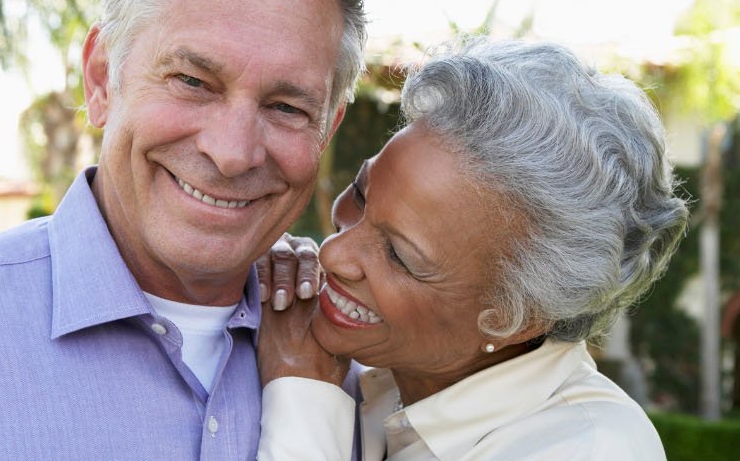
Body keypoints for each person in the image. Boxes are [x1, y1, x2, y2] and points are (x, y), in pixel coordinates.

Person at [0, 0, 365, 458]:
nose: (232, 152)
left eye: (286, 108)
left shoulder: (368, 378)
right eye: (193, 81)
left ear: (327, 130)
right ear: (103, 77)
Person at [254, 38, 690, 460]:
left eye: (400, 256)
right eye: (362, 194)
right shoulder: (380, 376)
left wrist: (303, 395)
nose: (332, 254)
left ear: (510, 319)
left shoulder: (588, 449)